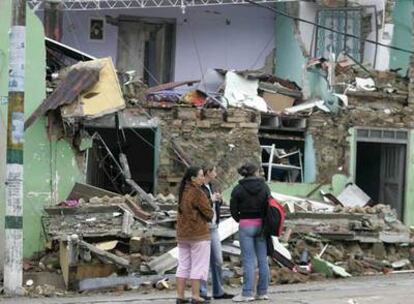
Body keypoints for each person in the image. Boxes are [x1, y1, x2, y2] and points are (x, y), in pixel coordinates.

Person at [230, 162, 270, 302]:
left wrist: (241, 219)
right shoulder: (264, 187)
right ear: (256, 172)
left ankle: (247, 293)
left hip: (245, 225)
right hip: (261, 225)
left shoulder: (238, 189)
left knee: (248, 260)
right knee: (262, 259)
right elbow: (269, 206)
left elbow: (233, 210)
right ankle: (263, 292)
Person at [176, 166, 214, 304]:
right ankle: (196, 295)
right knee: (198, 265)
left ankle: (180, 296)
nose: (203, 178)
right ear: (193, 178)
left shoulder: (182, 191)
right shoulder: (198, 192)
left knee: (183, 265)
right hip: (198, 233)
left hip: (182, 234)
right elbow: (209, 213)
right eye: (200, 175)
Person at [199, 163, 234, 301]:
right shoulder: (198, 188)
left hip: (213, 227)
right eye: (214, 171)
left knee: (218, 260)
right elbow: (198, 205)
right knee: (202, 261)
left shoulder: (212, 187)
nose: (216, 174)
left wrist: (218, 201)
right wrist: (210, 199)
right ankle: (202, 292)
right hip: (202, 227)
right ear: (208, 172)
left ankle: (218, 291)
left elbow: (212, 205)